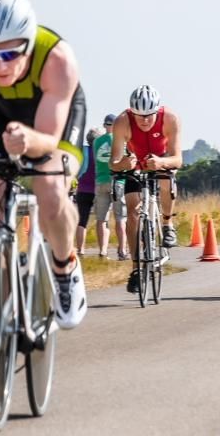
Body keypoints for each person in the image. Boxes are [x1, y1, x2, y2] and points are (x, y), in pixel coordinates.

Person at [0, 0, 88, 371]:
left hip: (50, 116)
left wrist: (30, 142)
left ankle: (64, 267)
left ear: (29, 43)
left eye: (11, 53)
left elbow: (47, 138)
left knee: (50, 185)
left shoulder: (57, 59)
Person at [110, 85, 182, 294]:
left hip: (161, 162)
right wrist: (123, 163)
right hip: (136, 167)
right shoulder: (122, 121)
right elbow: (113, 162)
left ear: (157, 111)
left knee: (166, 182)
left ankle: (168, 225)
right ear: (131, 111)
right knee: (132, 213)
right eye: (139, 116)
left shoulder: (170, 119)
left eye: (149, 116)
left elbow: (178, 158)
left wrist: (161, 162)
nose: (144, 121)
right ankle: (135, 269)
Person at [92, 113, 126, 259]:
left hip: (100, 180)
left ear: (105, 125)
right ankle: (122, 250)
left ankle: (103, 251)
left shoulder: (96, 142)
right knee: (120, 217)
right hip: (117, 180)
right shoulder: (120, 140)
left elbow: (96, 160)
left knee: (101, 218)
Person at [74, 128, 100, 254]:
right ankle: (103, 250)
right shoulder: (100, 151)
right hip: (98, 189)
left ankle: (81, 249)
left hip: (82, 189)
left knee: (82, 221)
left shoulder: (82, 151)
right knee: (102, 221)